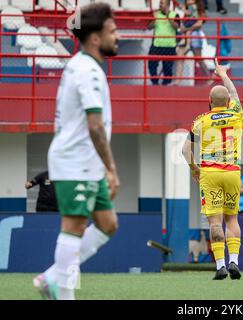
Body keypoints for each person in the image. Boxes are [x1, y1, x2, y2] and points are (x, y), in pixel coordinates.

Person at [33, 2, 120, 300]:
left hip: (87, 160)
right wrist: (111, 168)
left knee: (108, 224)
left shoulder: (86, 66)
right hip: (76, 159)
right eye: (112, 31)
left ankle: (52, 277)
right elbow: (95, 125)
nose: (117, 36)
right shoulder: (87, 71)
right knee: (74, 225)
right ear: (95, 38)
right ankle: (62, 292)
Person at [182, 59, 243, 280]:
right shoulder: (236, 112)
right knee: (232, 219)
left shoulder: (200, 121)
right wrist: (223, 74)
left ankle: (220, 266)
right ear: (227, 101)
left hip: (210, 172)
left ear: (209, 101)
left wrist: (193, 167)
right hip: (233, 172)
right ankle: (235, 261)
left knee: (214, 221)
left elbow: (184, 150)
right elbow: (234, 93)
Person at [172, 0, 212, 86]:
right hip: (186, 36)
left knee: (198, 58)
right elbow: (185, 22)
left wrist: (187, 29)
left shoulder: (198, 10)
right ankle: (177, 81)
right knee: (180, 55)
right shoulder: (189, 10)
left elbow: (199, 24)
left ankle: (209, 78)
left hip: (195, 36)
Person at [147, 0, 180, 85]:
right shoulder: (156, 14)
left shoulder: (174, 15)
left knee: (168, 68)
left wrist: (168, 16)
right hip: (157, 44)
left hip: (169, 46)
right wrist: (154, 19)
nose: (160, 5)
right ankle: (155, 82)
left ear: (168, 4)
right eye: (160, 3)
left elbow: (177, 27)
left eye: (162, 3)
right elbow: (149, 27)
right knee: (151, 65)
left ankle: (165, 85)